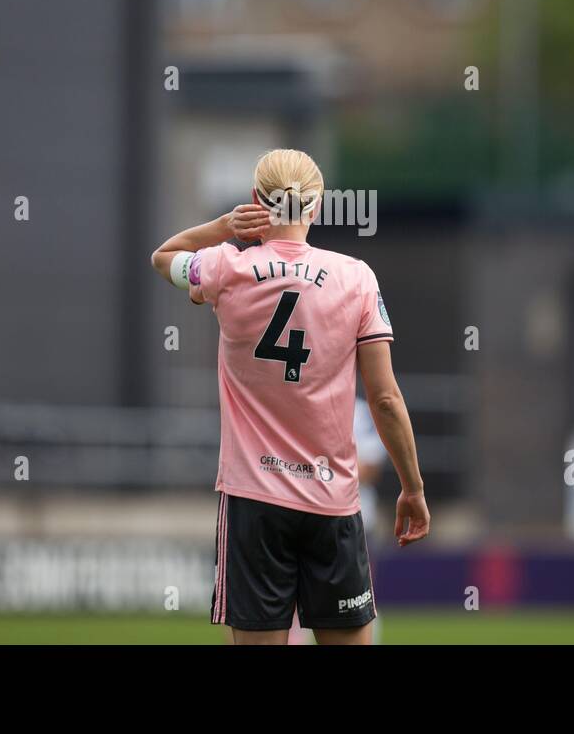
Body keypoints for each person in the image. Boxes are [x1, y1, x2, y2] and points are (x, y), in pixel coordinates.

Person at [150, 148, 430, 645]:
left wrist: (223, 227)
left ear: (256, 201)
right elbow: (384, 399)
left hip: (253, 502)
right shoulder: (356, 278)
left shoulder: (224, 269)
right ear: (317, 207)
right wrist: (413, 487)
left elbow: (163, 256)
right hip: (332, 503)